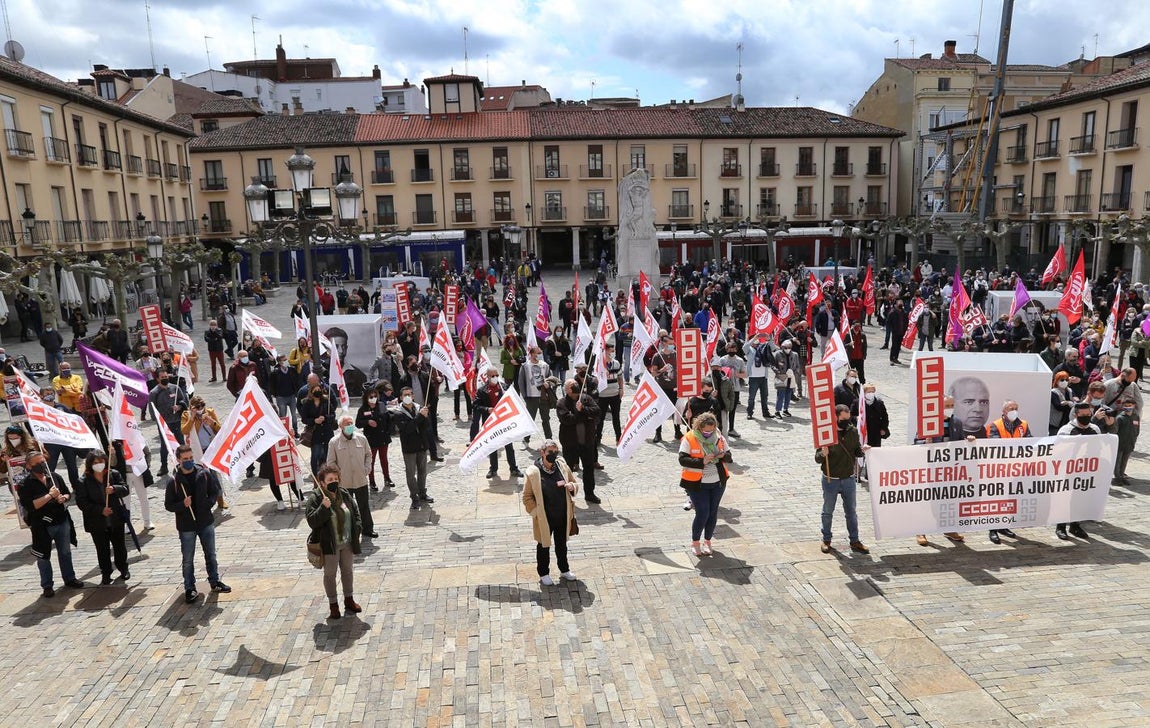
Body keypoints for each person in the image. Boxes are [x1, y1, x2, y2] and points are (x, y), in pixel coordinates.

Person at [164, 445, 230, 604]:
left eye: (190, 458)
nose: (189, 461)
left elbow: (215, 491)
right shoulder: (174, 481)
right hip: (186, 526)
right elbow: (168, 505)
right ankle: (189, 588)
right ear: (178, 460)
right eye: (185, 459)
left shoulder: (204, 474)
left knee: (211, 554)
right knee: (188, 558)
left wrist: (208, 503)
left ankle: (214, 581)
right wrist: (182, 504)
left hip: (205, 521)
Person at [18, 451, 85, 598]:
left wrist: (64, 498)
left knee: (65, 552)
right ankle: (47, 585)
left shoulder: (54, 477)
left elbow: (67, 493)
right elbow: (30, 505)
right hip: (42, 526)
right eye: (37, 464)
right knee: (43, 557)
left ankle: (69, 578)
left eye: (43, 462)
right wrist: (50, 496)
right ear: (29, 466)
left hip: (61, 521)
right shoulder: (25, 484)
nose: (41, 466)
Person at [305, 463, 363, 620]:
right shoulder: (316, 498)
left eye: (336, 478)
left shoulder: (343, 493)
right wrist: (323, 508)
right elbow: (312, 521)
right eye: (330, 479)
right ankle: (333, 605)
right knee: (330, 574)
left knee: (348, 571)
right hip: (330, 544)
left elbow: (355, 511)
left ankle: (349, 599)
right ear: (322, 482)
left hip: (347, 542)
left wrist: (357, 528)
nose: (334, 482)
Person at [522, 439, 579, 586]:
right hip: (544, 517)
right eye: (550, 452)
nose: (553, 455)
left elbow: (574, 482)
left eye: (555, 452)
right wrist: (535, 512)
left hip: (562, 514)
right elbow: (527, 497)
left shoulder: (562, 466)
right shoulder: (533, 472)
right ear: (542, 453)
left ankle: (564, 569)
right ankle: (544, 573)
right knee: (543, 545)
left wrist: (572, 487)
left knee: (562, 544)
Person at [815, 404, 869, 555]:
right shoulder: (827, 433)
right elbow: (817, 458)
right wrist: (823, 453)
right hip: (831, 479)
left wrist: (863, 450)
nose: (847, 421)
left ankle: (855, 540)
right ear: (836, 417)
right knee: (828, 511)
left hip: (848, 479)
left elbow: (856, 450)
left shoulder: (852, 431)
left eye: (848, 418)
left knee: (851, 511)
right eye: (843, 419)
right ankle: (826, 539)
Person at [679, 412, 733, 556]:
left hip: (718, 482)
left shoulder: (719, 437)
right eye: (706, 431)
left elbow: (729, 456)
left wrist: (723, 455)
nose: (709, 433)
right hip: (696, 483)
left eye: (711, 430)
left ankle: (708, 541)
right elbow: (682, 460)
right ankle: (695, 542)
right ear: (699, 427)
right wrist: (702, 461)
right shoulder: (690, 438)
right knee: (703, 512)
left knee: (713, 512)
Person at [74, 451, 130, 585]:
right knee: (102, 549)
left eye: (101, 462)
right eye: (95, 463)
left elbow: (125, 489)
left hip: (115, 519)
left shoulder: (113, 474)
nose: (98, 465)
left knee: (119, 546)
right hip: (97, 522)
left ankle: (123, 569)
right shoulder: (83, 481)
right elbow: (82, 502)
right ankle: (106, 573)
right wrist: (100, 510)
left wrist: (114, 489)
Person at [984, 400, 1030, 544]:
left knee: (1010, 499)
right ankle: (993, 529)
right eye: (1011, 408)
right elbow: (995, 444)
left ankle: (1004, 525)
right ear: (1004, 411)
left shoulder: (1024, 424)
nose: (1014, 411)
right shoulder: (994, 425)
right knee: (996, 500)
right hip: (998, 469)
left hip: (1016, 469)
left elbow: (1029, 441)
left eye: (1016, 408)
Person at [1055, 402, 1100, 540]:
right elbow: (1058, 451)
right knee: (1065, 499)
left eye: (1088, 414)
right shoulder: (1066, 430)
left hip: (1086, 472)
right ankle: (1060, 527)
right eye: (1083, 415)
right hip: (1068, 471)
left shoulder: (1095, 429)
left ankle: (1075, 525)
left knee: (1080, 499)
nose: (1086, 417)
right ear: (1076, 415)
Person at [325, 415, 375, 539]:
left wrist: (367, 468)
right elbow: (331, 462)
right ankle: (349, 531)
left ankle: (368, 529)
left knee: (364, 505)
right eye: (347, 424)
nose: (350, 426)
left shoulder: (361, 439)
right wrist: (338, 475)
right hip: (344, 482)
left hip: (360, 479)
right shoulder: (334, 442)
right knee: (346, 508)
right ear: (341, 426)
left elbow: (369, 455)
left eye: (351, 423)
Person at [472, 368, 525, 479]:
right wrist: (487, 409)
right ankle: (493, 469)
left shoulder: (504, 387)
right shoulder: (482, 390)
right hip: (491, 423)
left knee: (509, 446)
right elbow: (476, 405)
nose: (495, 377)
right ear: (487, 376)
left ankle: (513, 468)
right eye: (492, 375)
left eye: (496, 375)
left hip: (504, 422)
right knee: (492, 447)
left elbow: (514, 400)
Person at [556, 378, 601, 504]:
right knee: (567, 470)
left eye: (575, 384)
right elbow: (567, 419)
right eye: (572, 385)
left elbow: (597, 411)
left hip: (587, 442)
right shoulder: (562, 402)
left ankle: (590, 493)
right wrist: (584, 415)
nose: (575, 385)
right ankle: (566, 495)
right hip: (570, 443)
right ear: (567, 390)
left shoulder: (586, 399)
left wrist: (583, 410)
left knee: (588, 469)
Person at [180, 395, 229, 510]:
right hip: (196, 451)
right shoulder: (186, 415)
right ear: (192, 407)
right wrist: (193, 418)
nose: (201, 408)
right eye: (198, 406)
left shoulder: (210, 412)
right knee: (200, 477)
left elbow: (221, 430)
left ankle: (220, 499)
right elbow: (185, 430)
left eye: (202, 405)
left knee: (215, 475)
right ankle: (203, 500)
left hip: (210, 449)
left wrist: (212, 423)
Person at [393, 386, 434, 509]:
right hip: (409, 447)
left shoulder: (419, 408)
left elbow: (427, 426)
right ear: (401, 397)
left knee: (423, 472)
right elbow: (407, 429)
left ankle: (422, 493)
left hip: (421, 445)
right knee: (411, 474)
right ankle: (414, 496)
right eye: (405, 395)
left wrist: (426, 416)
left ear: (413, 396)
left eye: (410, 394)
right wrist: (420, 417)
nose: (408, 397)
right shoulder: (398, 412)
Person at [150, 371, 189, 477]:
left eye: (166, 376)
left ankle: (182, 465)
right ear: (158, 379)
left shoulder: (175, 388)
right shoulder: (154, 393)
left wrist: (179, 407)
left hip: (177, 421)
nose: (165, 378)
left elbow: (184, 401)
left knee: (181, 443)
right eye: (162, 377)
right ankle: (164, 466)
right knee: (165, 446)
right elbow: (153, 412)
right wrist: (162, 418)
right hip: (164, 424)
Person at [356, 388, 394, 491]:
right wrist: (367, 422)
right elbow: (358, 423)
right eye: (371, 397)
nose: (373, 399)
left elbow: (388, 419)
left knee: (384, 459)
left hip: (383, 437)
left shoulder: (381, 405)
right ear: (366, 398)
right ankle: (372, 481)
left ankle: (387, 478)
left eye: (375, 396)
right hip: (371, 438)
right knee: (370, 461)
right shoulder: (363, 409)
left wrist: (388, 431)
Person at [300, 379, 338, 475]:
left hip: (327, 432)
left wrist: (325, 418)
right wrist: (314, 420)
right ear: (311, 392)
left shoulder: (326, 401)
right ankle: (316, 477)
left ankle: (327, 475)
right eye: (315, 390)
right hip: (315, 433)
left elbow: (333, 415)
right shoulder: (307, 403)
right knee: (315, 456)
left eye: (319, 389)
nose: (318, 391)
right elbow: (304, 419)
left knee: (327, 455)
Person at [517, 346, 554, 441]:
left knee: (546, 419)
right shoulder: (525, 366)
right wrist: (525, 396)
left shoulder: (545, 365)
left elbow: (551, 379)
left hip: (543, 397)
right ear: (531, 354)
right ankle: (526, 439)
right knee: (530, 419)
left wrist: (548, 384)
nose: (538, 355)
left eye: (540, 353)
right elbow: (521, 382)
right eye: (536, 353)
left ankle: (549, 439)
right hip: (531, 397)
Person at [713, 342, 746, 436]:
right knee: (721, 409)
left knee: (732, 409)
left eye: (734, 349)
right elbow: (717, 372)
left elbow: (745, 374)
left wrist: (737, 375)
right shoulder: (722, 360)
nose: (732, 351)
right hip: (723, 389)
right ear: (726, 350)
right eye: (729, 349)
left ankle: (731, 428)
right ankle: (720, 428)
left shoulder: (740, 360)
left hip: (735, 388)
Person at [596, 342, 624, 444]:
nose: (611, 353)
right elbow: (594, 379)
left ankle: (618, 437)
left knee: (616, 418)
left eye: (612, 351)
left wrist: (621, 389)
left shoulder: (616, 363)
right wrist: (601, 376)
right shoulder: (598, 365)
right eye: (610, 350)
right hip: (602, 395)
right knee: (600, 418)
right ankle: (598, 437)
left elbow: (620, 377)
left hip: (615, 394)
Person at [270, 355, 301, 437]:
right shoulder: (275, 372)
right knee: (283, 415)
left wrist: (296, 392)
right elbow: (272, 384)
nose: (286, 361)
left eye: (286, 359)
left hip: (291, 396)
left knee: (294, 415)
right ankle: (284, 432)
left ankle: (295, 431)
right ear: (280, 362)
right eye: (284, 360)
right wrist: (275, 394)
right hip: (281, 397)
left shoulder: (291, 370)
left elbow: (296, 380)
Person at [743, 334, 773, 419]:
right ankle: (750, 412)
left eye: (757, 340)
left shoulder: (763, 347)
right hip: (753, 377)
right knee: (752, 397)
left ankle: (765, 412)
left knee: (764, 396)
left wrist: (769, 339)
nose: (757, 341)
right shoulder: (749, 350)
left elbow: (773, 348)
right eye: (755, 340)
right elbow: (744, 348)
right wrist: (754, 338)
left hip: (763, 377)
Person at [773, 339, 800, 418]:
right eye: (786, 347)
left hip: (791, 377)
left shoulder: (795, 354)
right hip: (781, 376)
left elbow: (798, 366)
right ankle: (777, 411)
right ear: (782, 347)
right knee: (780, 395)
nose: (788, 349)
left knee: (788, 394)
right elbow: (773, 365)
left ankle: (785, 409)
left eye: (789, 347)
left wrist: (795, 372)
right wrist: (777, 371)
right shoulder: (777, 354)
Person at [1113, 397, 1138, 485]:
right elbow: (1115, 431)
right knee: (1118, 461)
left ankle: (1122, 475)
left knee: (1124, 461)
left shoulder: (1136, 416)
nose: (1128, 407)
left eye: (1130, 405)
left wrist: (1134, 439)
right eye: (1126, 406)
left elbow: (1137, 429)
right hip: (1120, 443)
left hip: (1130, 443)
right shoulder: (1120, 418)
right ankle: (1117, 477)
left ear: (1134, 406)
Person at [1049, 371, 1075, 435]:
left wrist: (1068, 403)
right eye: (1062, 380)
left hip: (1068, 420)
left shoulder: (1070, 391)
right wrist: (1070, 404)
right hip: (1055, 423)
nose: (1065, 382)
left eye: (1066, 380)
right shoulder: (1053, 392)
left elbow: (1076, 401)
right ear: (1057, 381)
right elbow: (1058, 407)